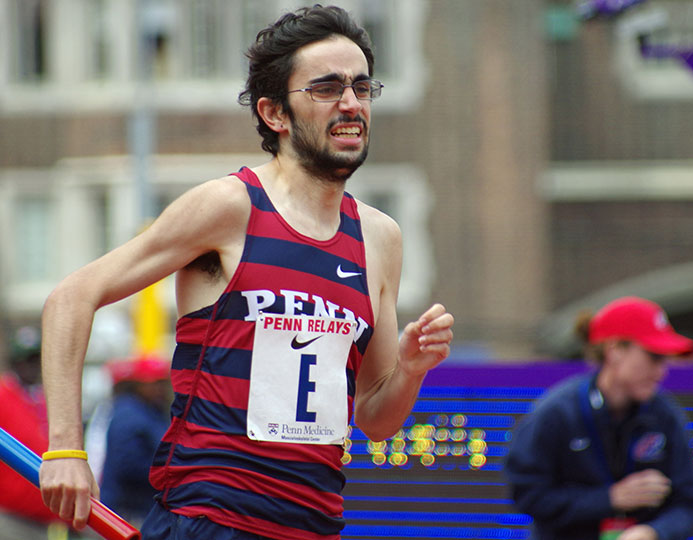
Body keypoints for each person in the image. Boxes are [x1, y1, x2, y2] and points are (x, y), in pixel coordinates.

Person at [37, 4, 455, 540]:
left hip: (313, 526)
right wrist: (66, 448)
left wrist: (412, 369)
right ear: (275, 114)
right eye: (326, 88)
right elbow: (71, 297)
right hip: (211, 520)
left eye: (362, 87)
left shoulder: (380, 238)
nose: (351, 103)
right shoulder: (230, 207)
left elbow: (374, 417)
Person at [504, 296, 693, 540]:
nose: (661, 371)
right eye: (653, 357)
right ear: (615, 350)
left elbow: (686, 504)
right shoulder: (556, 414)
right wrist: (609, 498)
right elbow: (529, 496)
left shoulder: (665, 415)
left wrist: (653, 532)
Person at [0, 326, 91, 540]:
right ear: (12, 363)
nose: (30, 366)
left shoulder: (48, 399)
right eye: (23, 360)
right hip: (10, 519)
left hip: (55, 521)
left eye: (34, 360)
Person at [97, 355, 173, 527]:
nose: (160, 389)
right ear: (138, 384)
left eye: (162, 382)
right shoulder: (128, 412)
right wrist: (170, 473)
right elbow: (127, 466)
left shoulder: (152, 410)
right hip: (125, 512)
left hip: (142, 508)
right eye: (154, 383)